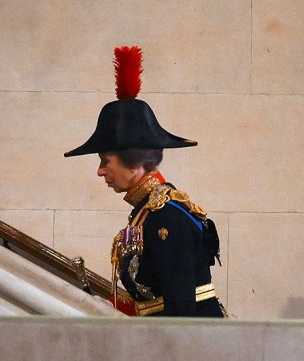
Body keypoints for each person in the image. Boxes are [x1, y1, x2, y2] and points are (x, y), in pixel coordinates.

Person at [64, 46, 226, 317]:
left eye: (106, 160)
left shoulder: (167, 217)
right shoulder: (146, 212)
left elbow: (180, 310)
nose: (100, 171)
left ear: (134, 163)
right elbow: (154, 299)